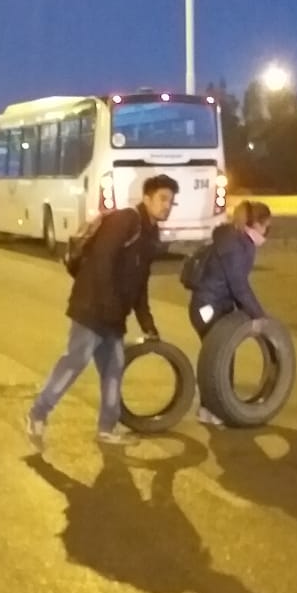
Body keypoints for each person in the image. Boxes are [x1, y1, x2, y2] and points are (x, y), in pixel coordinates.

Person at [26, 175, 178, 450]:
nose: (167, 205)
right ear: (147, 198)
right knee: (75, 361)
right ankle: (37, 414)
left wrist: (147, 322)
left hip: (113, 316)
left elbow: (140, 282)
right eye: (163, 198)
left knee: (113, 368)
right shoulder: (126, 220)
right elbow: (101, 260)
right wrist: (108, 305)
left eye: (171, 201)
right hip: (92, 307)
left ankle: (106, 429)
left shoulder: (151, 234)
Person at [187, 200, 273, 426]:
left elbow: (234, 285)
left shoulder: (233, 240)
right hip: (208, 307)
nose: (267, 232)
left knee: (217, 356)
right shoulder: (237, 246)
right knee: (219, 357)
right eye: (267, 227)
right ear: (257, 224)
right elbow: (239, 285)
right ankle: (212, 409)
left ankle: (208, 409)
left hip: (209, 305)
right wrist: (258, 315)